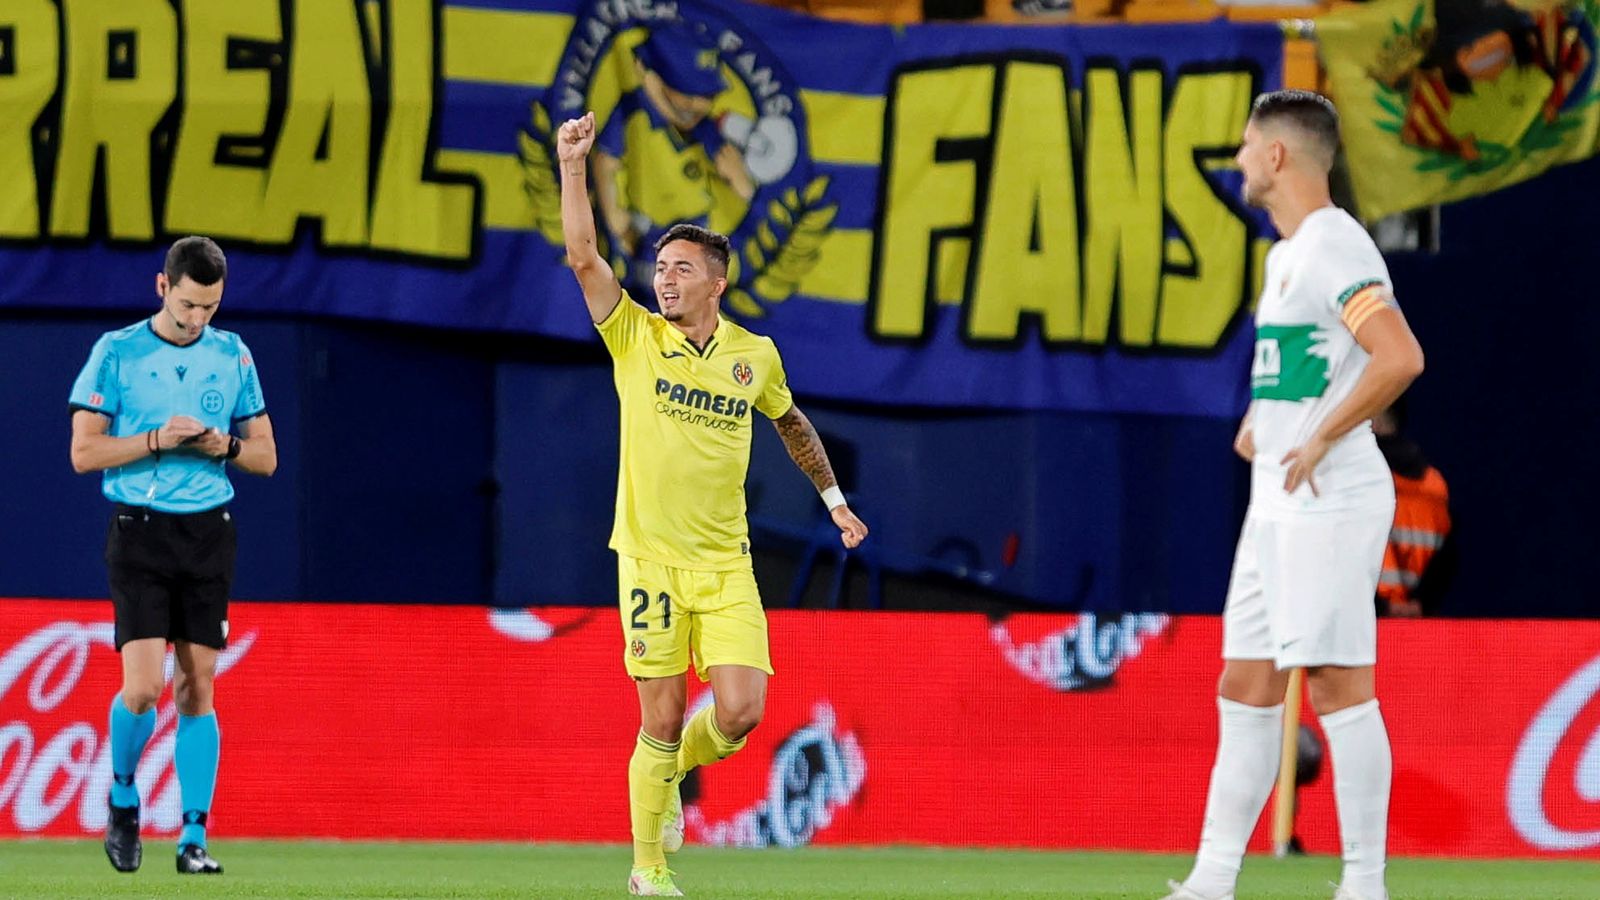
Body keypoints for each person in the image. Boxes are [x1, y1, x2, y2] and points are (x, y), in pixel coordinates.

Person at [558, 109, 868, 897]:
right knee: (658, 718)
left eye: (681, 268)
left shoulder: (752, 356)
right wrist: (573, 166)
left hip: (725, 563)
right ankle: (648, 868)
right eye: (661, 267)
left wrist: (832, 498)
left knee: (741, 711)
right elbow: (584, 255)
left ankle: (669, 778)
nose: (664, 278)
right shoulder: (632, 335)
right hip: (651, 560)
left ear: (717, 283)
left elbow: (792, 424)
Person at [1163, 91, 1425, 900]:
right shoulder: (1286, 257)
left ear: (1277, 157)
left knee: (1339, 686)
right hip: (1275, 499)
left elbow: (1399, 356)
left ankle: (1364, 884)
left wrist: (1320, 435)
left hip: (1331, 497)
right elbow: (1310, 361)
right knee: (1244, 684)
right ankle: (1211, 880)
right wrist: (1263, 420)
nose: (1239, 159)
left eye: (1246, 146)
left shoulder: (1337, 248)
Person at [68, 236, 278, 876]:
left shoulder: (232, 354)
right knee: (144, 687)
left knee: (197, 688)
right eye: (188, 305)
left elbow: (266, 456)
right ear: (163, 288)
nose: (198, 319)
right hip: (140, 531)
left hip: (208, 532)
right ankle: (124, 797)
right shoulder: (118, 352)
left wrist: (224, 448)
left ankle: (192, 839)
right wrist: (158, 439)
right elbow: (84, 453)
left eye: (210, 307)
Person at [1371, 401, 1453, 617]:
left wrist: (1383, 607)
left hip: (1364, 623)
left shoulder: (1359, 479)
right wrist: (1419, 603)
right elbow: (1447, 560)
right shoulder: (1435, 485)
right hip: (1416, 627)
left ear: (1375, 421)